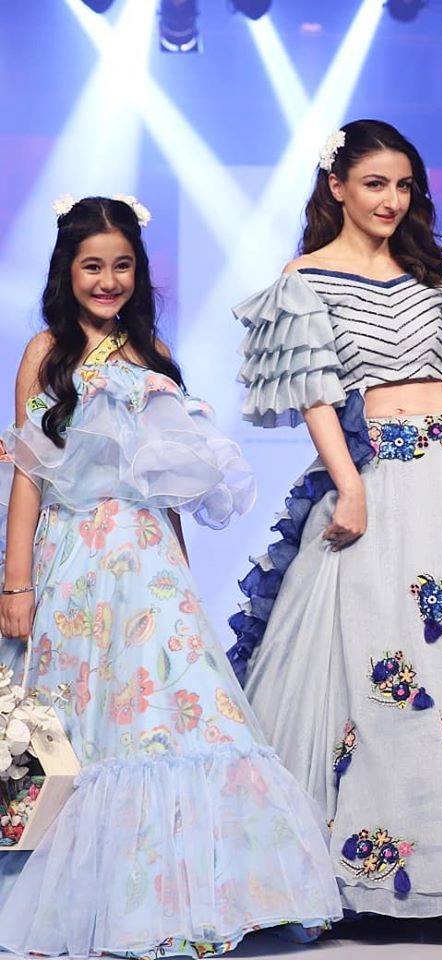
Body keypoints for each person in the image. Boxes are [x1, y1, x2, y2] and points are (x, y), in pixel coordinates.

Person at [227, 120, 442, 934]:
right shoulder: (306, 278)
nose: (391, 199)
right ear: (337, 187)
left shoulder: (435, 278)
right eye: (374, 183)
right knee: (382, 659)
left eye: (403, 185)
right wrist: (349, 485)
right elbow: (317, 396)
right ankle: (356, 878)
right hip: (377, 477)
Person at [0, 196, 342, 957]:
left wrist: (182, 575)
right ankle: (98, 904)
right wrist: (15, 584)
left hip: (150, 557)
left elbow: (170, 481)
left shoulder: (151, 352)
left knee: (185, 707)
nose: (108, 280)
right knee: (84, 721)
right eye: (93, 266)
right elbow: (27, 474)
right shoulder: (46, 351)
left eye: (122, 265)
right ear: (66, 270)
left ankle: (200, 895)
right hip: (76, 560)